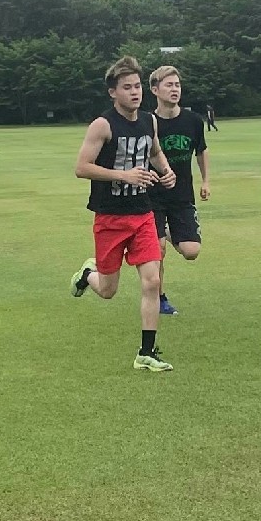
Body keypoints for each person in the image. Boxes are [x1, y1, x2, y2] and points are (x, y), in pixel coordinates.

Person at [70, 55, 177, 372]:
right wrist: (123, 175)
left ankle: (147, 352)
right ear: (112, 92)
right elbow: (81, 168)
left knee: (152, 281)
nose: (135, 92)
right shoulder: (102, 125)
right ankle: (87, 275)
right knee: (107, 290)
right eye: (127, 87)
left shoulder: (149, 121)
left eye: (137, 86)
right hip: (110, 217)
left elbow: (154, 151)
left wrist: (167, 171)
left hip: (143, 214)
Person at [148, 65, 210, 316]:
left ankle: (167, 232)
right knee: (158, 250)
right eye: (169, 85)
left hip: (182, 196)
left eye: (177, 85)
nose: (175, 90)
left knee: (191, 251)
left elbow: (201, 151)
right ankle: (160, 298)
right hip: (152, 195)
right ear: (155, 90)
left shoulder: (193, 121)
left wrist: (206, 181)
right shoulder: (148, 122)